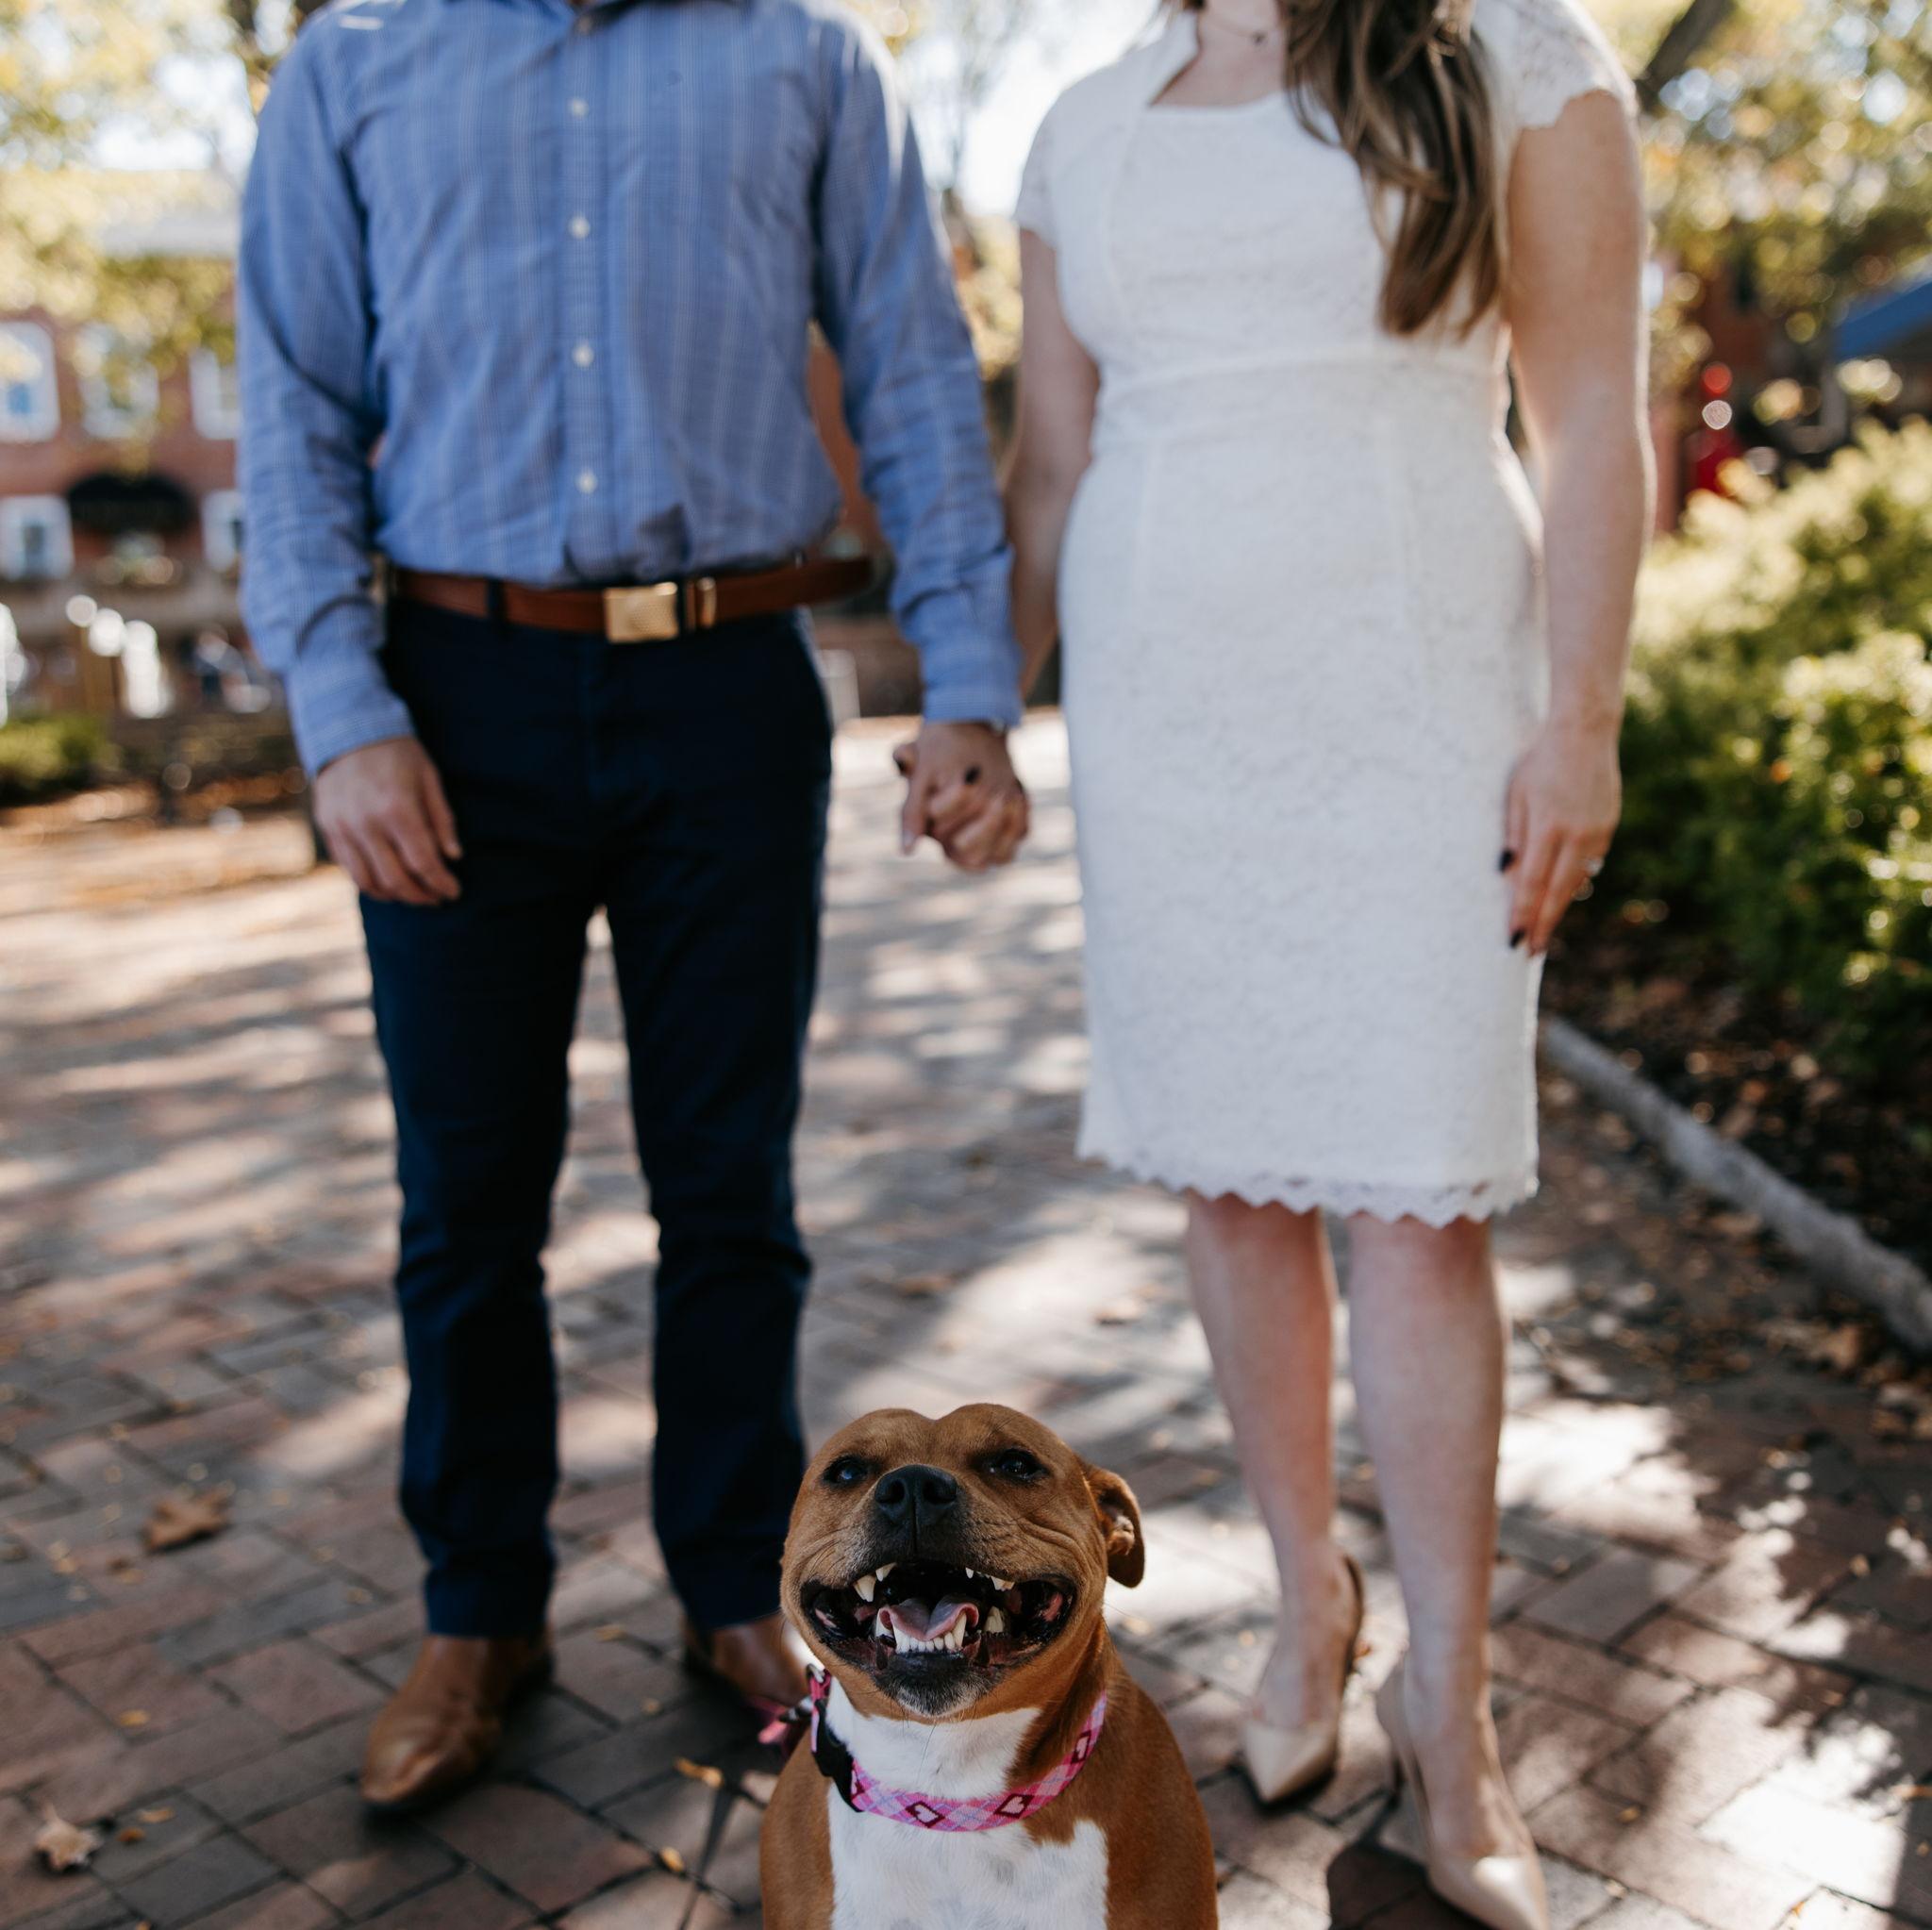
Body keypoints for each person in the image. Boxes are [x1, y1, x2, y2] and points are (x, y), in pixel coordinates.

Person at [239, 0, 1028, 1814]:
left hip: (731, 688)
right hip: (454, 690)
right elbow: (291, 400)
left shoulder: (811, 57)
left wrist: (968, 681)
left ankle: (738, 1584)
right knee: (464, 1200)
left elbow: (910, 363)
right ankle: (478, 1615)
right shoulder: (357, 60)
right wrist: (342, 715)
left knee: (730, 1191)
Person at [1004, 0, 1649, 1924]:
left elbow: (1594, 397)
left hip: (1423, 684)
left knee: (1416, 1211)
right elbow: (1049, 456)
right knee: (1225, 1182)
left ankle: (1452, 1711)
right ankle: (1309, 1605)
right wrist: (974, 699)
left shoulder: (1514, 60)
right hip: (1162, 710)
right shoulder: (1081, 121)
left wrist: (1583, 723)